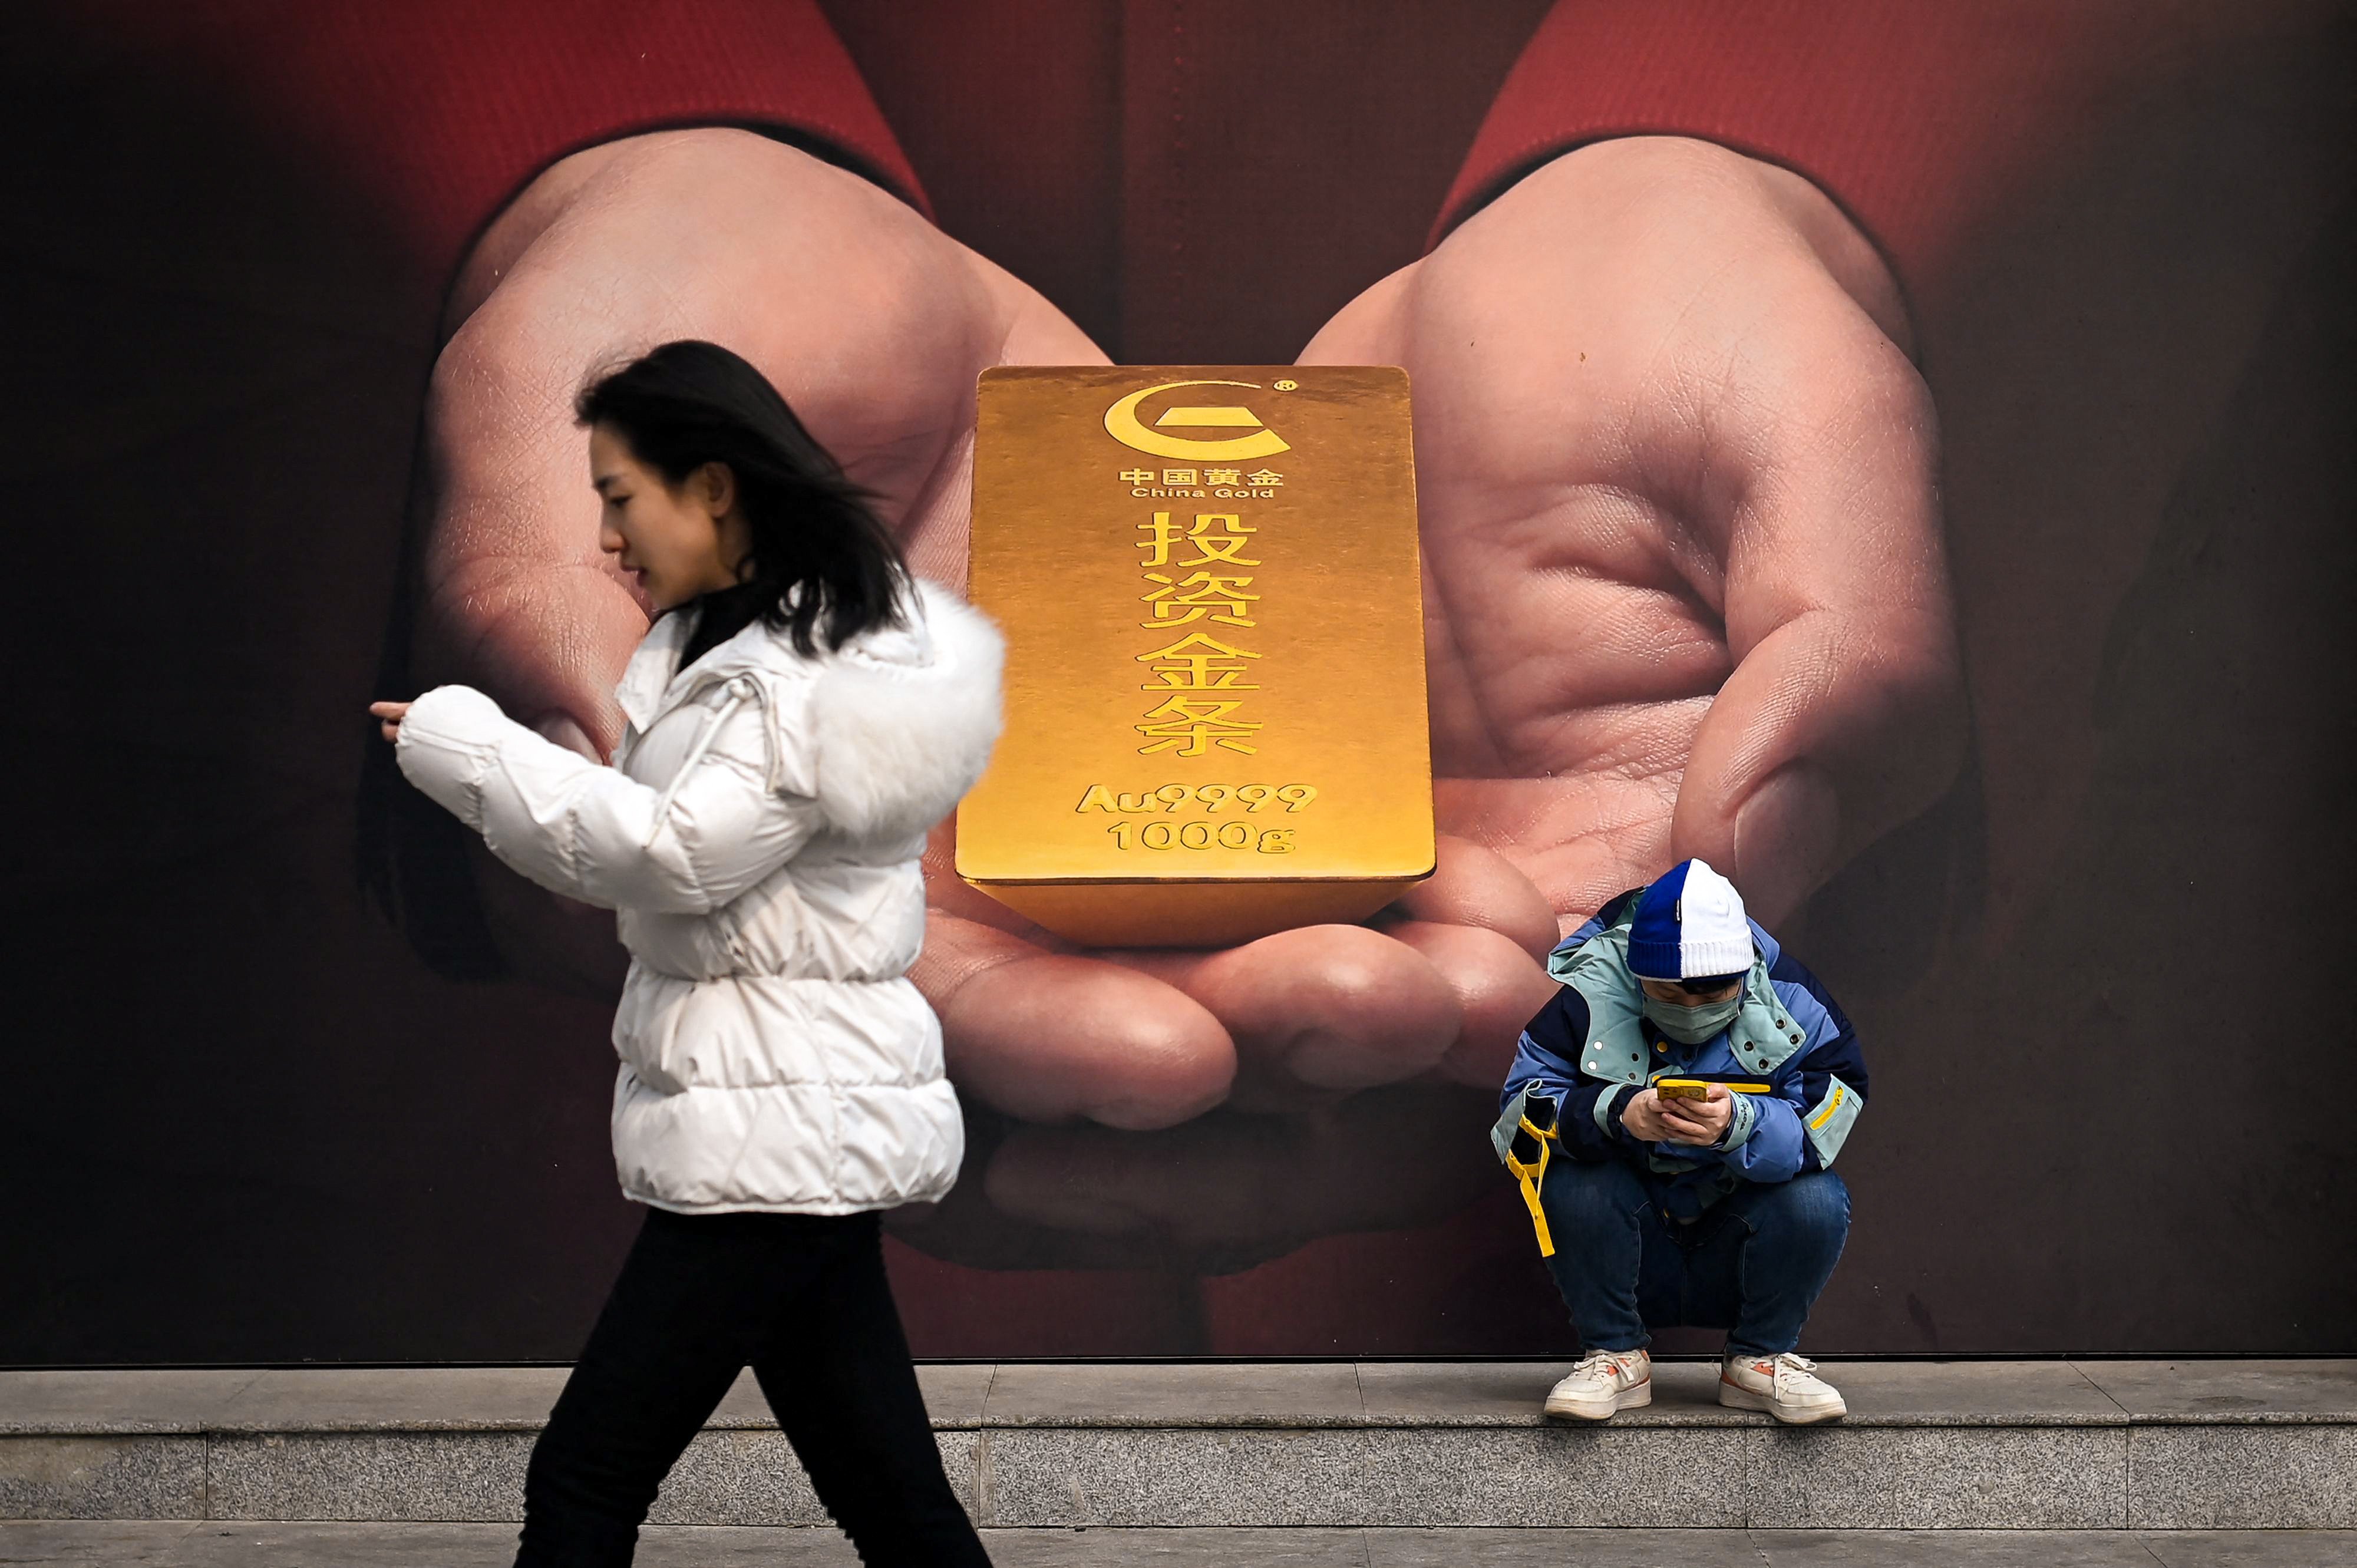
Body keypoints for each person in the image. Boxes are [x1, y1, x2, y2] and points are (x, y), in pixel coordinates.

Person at [369, 339, 1001, 1565]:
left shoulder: (792, 685)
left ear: (711, 488)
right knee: (892, 1499)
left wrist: (472, 745)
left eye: (618, 496)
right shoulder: (746, 659)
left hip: (775, 1126)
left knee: (587, 1474)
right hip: (784, 1118)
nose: (606, 538)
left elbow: (672, 855)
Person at [1495, 858, 1867, 1425]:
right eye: (1671, 993)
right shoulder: (1585, 1000)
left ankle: (1760, 1360)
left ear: (1744, 970)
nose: (1692, 1008)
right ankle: (1616, 1356)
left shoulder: (1794, 1000)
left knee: (1817, 1195)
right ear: (1638, 973)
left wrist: (1742, 1122)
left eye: (1713, 990)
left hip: (1738, 1233)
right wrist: (1614, 1112)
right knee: (1570, 1179)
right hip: (1628, 1236)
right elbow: (1517, 1122)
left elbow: (1831, 1114)